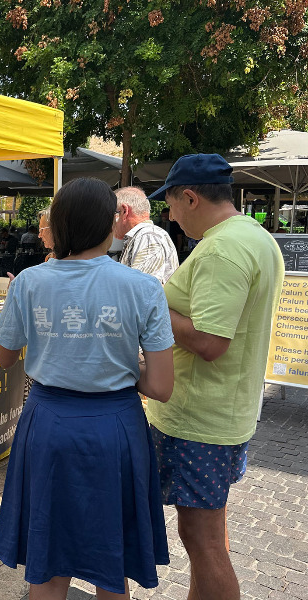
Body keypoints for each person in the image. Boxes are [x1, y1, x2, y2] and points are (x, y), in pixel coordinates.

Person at [0, 177, 175, 599]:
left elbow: (5, 357)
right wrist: (123, 372)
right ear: (111, 224)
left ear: (58, 226)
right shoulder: (144, 288)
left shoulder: (28, 283)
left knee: (48, 568)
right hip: (117, 428)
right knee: (111, 565)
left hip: (48, 424)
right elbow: (162, 386)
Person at [146, 154, 284, 600]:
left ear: (190, 196)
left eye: (170, 204)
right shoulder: (255, 237)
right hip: (226, 410)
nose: (169, 215)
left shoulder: (222, 249)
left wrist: (155, 311)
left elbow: (209, 342)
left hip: (200, 420)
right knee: (209, 534)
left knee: (203, 543)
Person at [113, 186, 178, 284]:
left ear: (124, 211)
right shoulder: (144, 236)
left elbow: (142, 292)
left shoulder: (148, 236)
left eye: (111, 213)